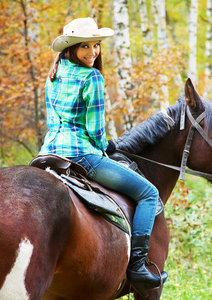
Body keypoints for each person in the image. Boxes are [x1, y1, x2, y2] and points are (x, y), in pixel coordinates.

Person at [39, 17, 167, 297]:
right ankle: (139, 267)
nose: (92, 52)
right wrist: (106, 146)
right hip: (81, 155)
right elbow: (95, 130)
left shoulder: (54, 72)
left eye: (96, 45)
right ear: (70, 48)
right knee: (148, 192)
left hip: (48, 153)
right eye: (84, 46)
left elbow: (53, 119)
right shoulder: (92, 77)